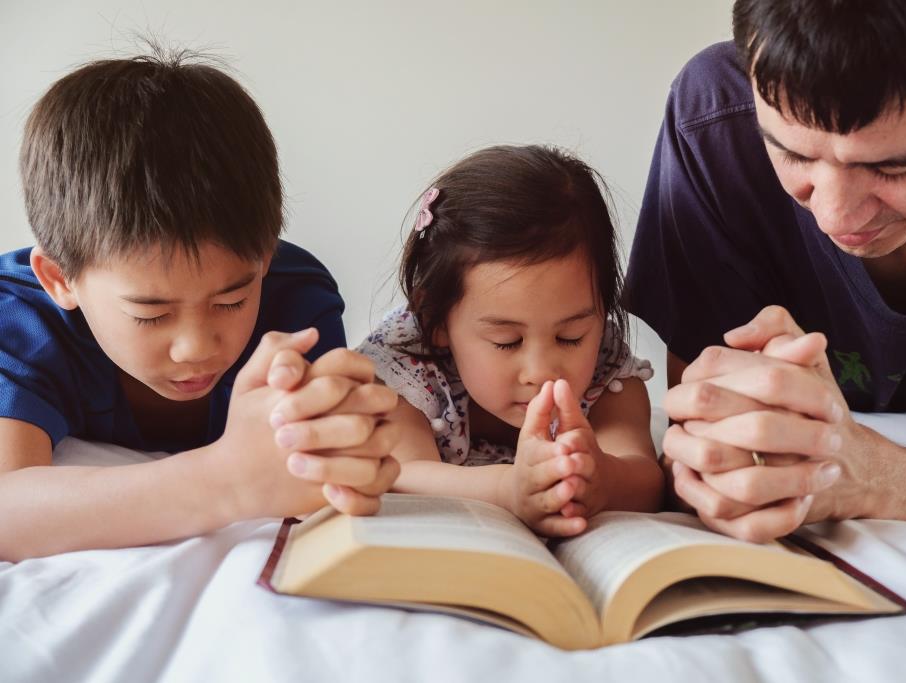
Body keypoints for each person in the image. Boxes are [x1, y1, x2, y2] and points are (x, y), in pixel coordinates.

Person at [625, 0, 906, 542]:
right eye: (790, 153)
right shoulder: (716, 116)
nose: (834, 216)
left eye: (893, 166)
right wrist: (715, 474)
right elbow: (704, 452)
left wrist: (869, 474)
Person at [0, 51, 400, 561]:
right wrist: (225, 479)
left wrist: (346, 451)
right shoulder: (17, 318)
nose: (196, 348)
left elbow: (319, 466)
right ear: (60, 278)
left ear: (264, 258)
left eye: (232, 299)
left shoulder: (294, 297)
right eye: (150, 313)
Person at [358, 145, 663, 536]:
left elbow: (645, 477)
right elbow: (401, 474)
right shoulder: (406, 371)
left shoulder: (608, 374)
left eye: (570, 337)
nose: (541, 372)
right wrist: (510, 488)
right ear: (435, 319)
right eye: (506, 341)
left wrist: (603, 476)